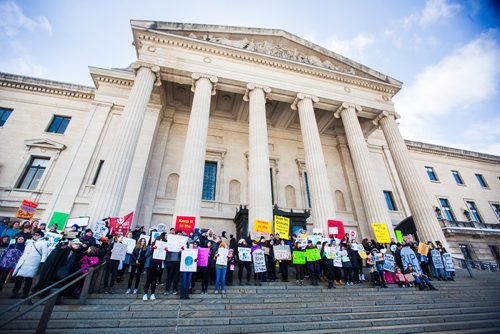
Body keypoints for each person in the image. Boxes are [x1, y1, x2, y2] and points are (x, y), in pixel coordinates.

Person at [11, 231, 48, 298]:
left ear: (41, 236)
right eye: (34, 234)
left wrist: (42, 262)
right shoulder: (29, 242)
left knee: (29, 279)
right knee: (19, 278)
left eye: (37, 235)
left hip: (33, 263)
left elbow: (44, 254)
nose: (35, 236)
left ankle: (25, 293)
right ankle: (15, 292)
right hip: (24, 262)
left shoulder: (43, 243)